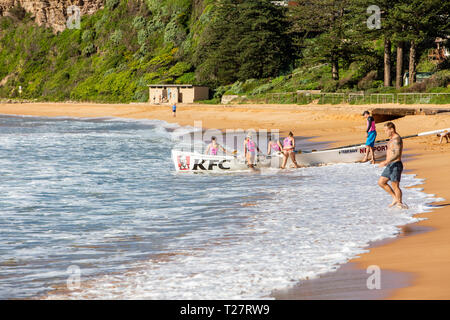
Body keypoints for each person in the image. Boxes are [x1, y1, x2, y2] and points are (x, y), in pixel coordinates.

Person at [378, 122, 408, 209]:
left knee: (395, 185)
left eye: (386, 130)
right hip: (390, 165)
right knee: (381, 182)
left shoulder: (396, 139)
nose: (385, 132)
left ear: (392, 129)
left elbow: (397, 154)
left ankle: (400, 203)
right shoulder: (392, 139)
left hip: (396, 165)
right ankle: (394, 197)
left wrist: (386, 161)